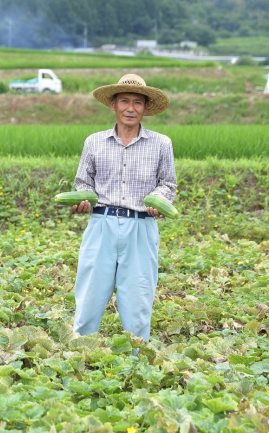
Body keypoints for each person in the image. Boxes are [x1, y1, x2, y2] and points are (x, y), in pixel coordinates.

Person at [70, 74, 177, 341]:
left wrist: (159, 201)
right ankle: (81, 352)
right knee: (90, 293)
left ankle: (137, 357)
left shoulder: (161, 143)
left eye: (138, 103)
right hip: (101, 223)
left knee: (138, 296)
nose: (131, 108)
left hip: (141, 225)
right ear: (113, 105)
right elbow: (84, 183)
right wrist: (82, 202)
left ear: (145, 108)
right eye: (125, 101)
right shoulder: (94, 142)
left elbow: (168, 184)